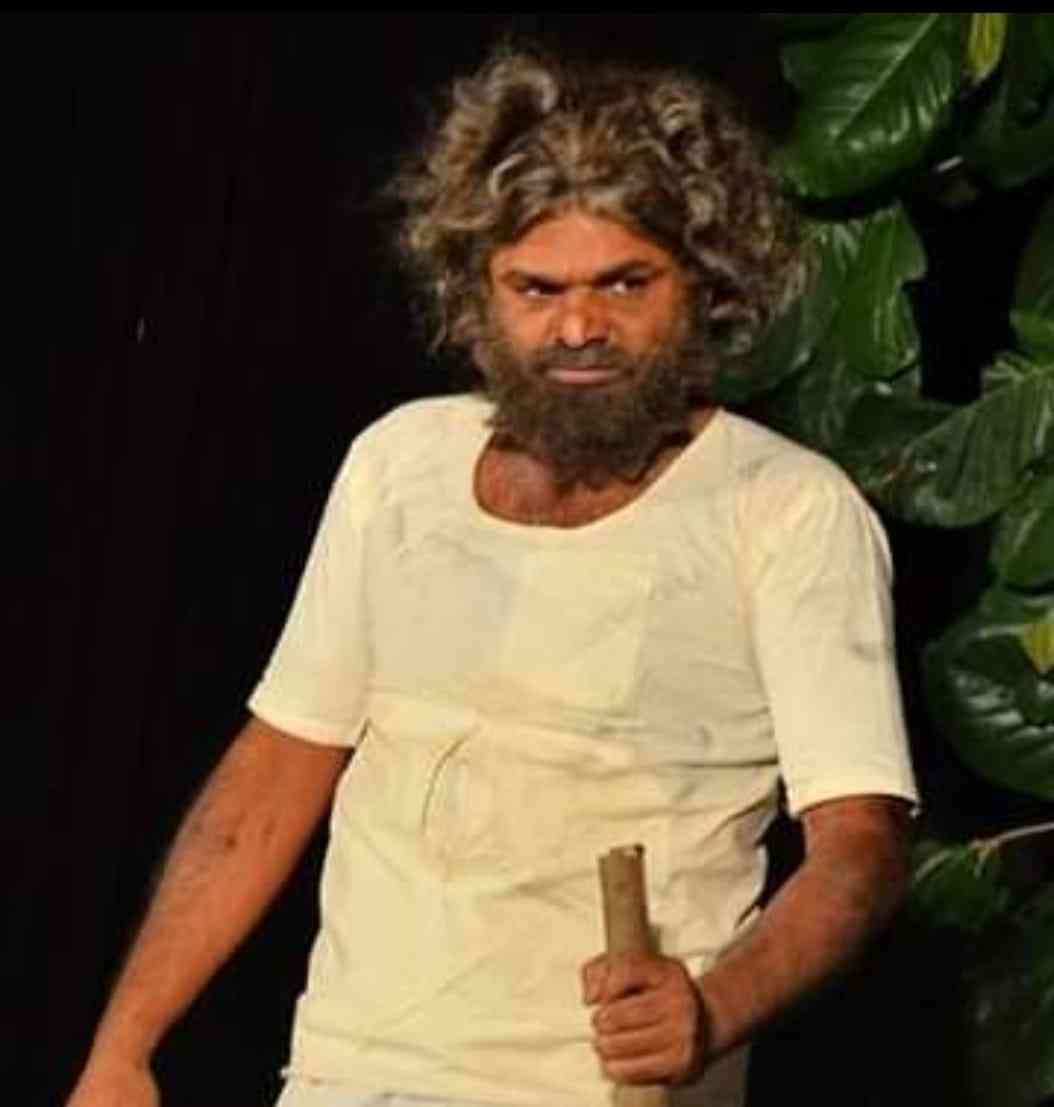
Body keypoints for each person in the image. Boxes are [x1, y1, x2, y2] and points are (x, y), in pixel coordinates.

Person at [67, 45, 918, 1107]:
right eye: (537, 288)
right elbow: (277, 767)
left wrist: (712, 1008)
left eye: (625, 282)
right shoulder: (400, 465)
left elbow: (860, 847)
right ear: (478, 293)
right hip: (348, 1078)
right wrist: (124, 1048)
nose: (578, 327)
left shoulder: (786, 510)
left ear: (705, 281)